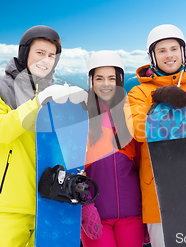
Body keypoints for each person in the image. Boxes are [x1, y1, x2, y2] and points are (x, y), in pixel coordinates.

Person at [0, 25, 86, 247]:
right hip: (11, 204)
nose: (45, 60)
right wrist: (38, 103)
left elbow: (70, 150)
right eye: (39, 53)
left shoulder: (58, 95)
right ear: (25, 53)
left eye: (51, 56)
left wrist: (82, 113)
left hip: (52, 201)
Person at [127, 24, 186, 246]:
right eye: (162, 50)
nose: (169, 55)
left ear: (183, 52)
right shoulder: (139, 92)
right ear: (152, 57)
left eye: (174, 48)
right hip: (159, 192)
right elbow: (138, 131)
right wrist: (161, 100)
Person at [80, 51, 145, 247]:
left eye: (112, 78)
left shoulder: (130, 113)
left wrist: (147, 211)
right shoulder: (81, 115)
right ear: (91, 81)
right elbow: (73, 168)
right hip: (96, 215)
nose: (106, 84)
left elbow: (143, 164)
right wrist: (85, 206)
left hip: (132, 214)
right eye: (99, 78)